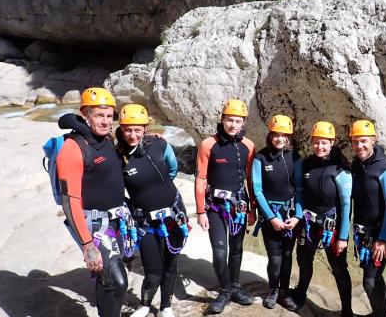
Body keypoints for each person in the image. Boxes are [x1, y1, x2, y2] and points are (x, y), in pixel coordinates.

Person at [56, 87, 129, 317]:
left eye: (109, 116)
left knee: (106, 278)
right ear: (86, 115)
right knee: (118, 282)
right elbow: (70, 202)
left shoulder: (105, 138)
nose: (106, 121)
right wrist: (87, 245)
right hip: (95, 226)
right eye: (99, 115)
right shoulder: (73, 148)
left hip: (116, 218)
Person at [116, 104, 188, 317]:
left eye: (137, 129)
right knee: (152, 269)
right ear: (120, 129)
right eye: (128, 129)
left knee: (170, 264)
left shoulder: (160, 145)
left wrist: (159, 193)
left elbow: (173, 170)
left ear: (145, 128)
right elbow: (116, 189)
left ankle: (165, 306)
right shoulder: (118, 156)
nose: (132, 135)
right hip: (145, 221)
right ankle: (146, 304)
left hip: (172, 214)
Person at [195, 99, 256, 314]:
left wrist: (253, 209)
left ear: (243, 122)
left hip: (239, 205)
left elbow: (250, 180)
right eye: (229, 120)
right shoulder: (208, 144)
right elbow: (201, 178)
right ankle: (225, 290)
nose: (233, 124)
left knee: (237, 249)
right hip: (215, 207)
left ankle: (235, 286)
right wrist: (200, 210)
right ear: (222, 119)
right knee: (220, 252)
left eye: (237, 121)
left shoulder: (248, 146)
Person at [292, 121, 353, 317]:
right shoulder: (305, 164)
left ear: (332, 143)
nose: (320, 146)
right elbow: (300, 195)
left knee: (339, 268)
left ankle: (347, 310)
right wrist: (298, 216)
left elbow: (346, 205)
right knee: (304, 260)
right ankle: (301, 294)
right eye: (316, 142)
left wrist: (343, 236)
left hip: (331, 226)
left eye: (324, 143)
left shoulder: (340, 169)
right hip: (308, 223)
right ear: (311, 142)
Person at [251, 114, 303, 311]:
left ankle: (284, 291)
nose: (280, 139)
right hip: (271, 215)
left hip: (290, 214)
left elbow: (299, 189)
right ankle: (272, 289)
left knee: (288, 255)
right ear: (270, 135)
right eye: (276, 135)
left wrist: (297, 216)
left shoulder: (295, 158)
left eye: (284, 135)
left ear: (288, 137)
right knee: (275, 257)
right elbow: (257, 189)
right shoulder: (261, 158)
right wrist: (271, 217)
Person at [349, 120, 386, 317]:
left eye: (363, 141)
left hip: (379, 234)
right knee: (375, 278)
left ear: (373, 140)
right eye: (355, 142)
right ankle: (382, 312)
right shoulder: (356, 165)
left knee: (369, 281)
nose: (359, 146)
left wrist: (382, 240)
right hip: (362, 233)